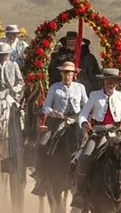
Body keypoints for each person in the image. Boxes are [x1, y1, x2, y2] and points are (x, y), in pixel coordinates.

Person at [72, 68, 121, 209]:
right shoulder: (94, 96)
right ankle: (80, 193)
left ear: (117, 83)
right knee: (84, 157)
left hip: (117, 134)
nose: (110, 84)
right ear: (104, 81)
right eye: (108, 81)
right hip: (98, 134)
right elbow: (82, 114)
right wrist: (85, 123)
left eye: (113, 82)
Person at [32, 60, 88, 195]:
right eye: (65, 73)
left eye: (70, 73)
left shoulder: (80, 88)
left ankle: (87, 175)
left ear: (74, 75)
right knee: (43, 143)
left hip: (76, 121)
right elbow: (46, 106)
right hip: (57, 121)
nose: (67, 75)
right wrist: (52, 112)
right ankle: (40, 175)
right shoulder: (54, 88)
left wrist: (82, 116)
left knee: (86, 143)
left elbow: (86, 105)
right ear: (61, 73)